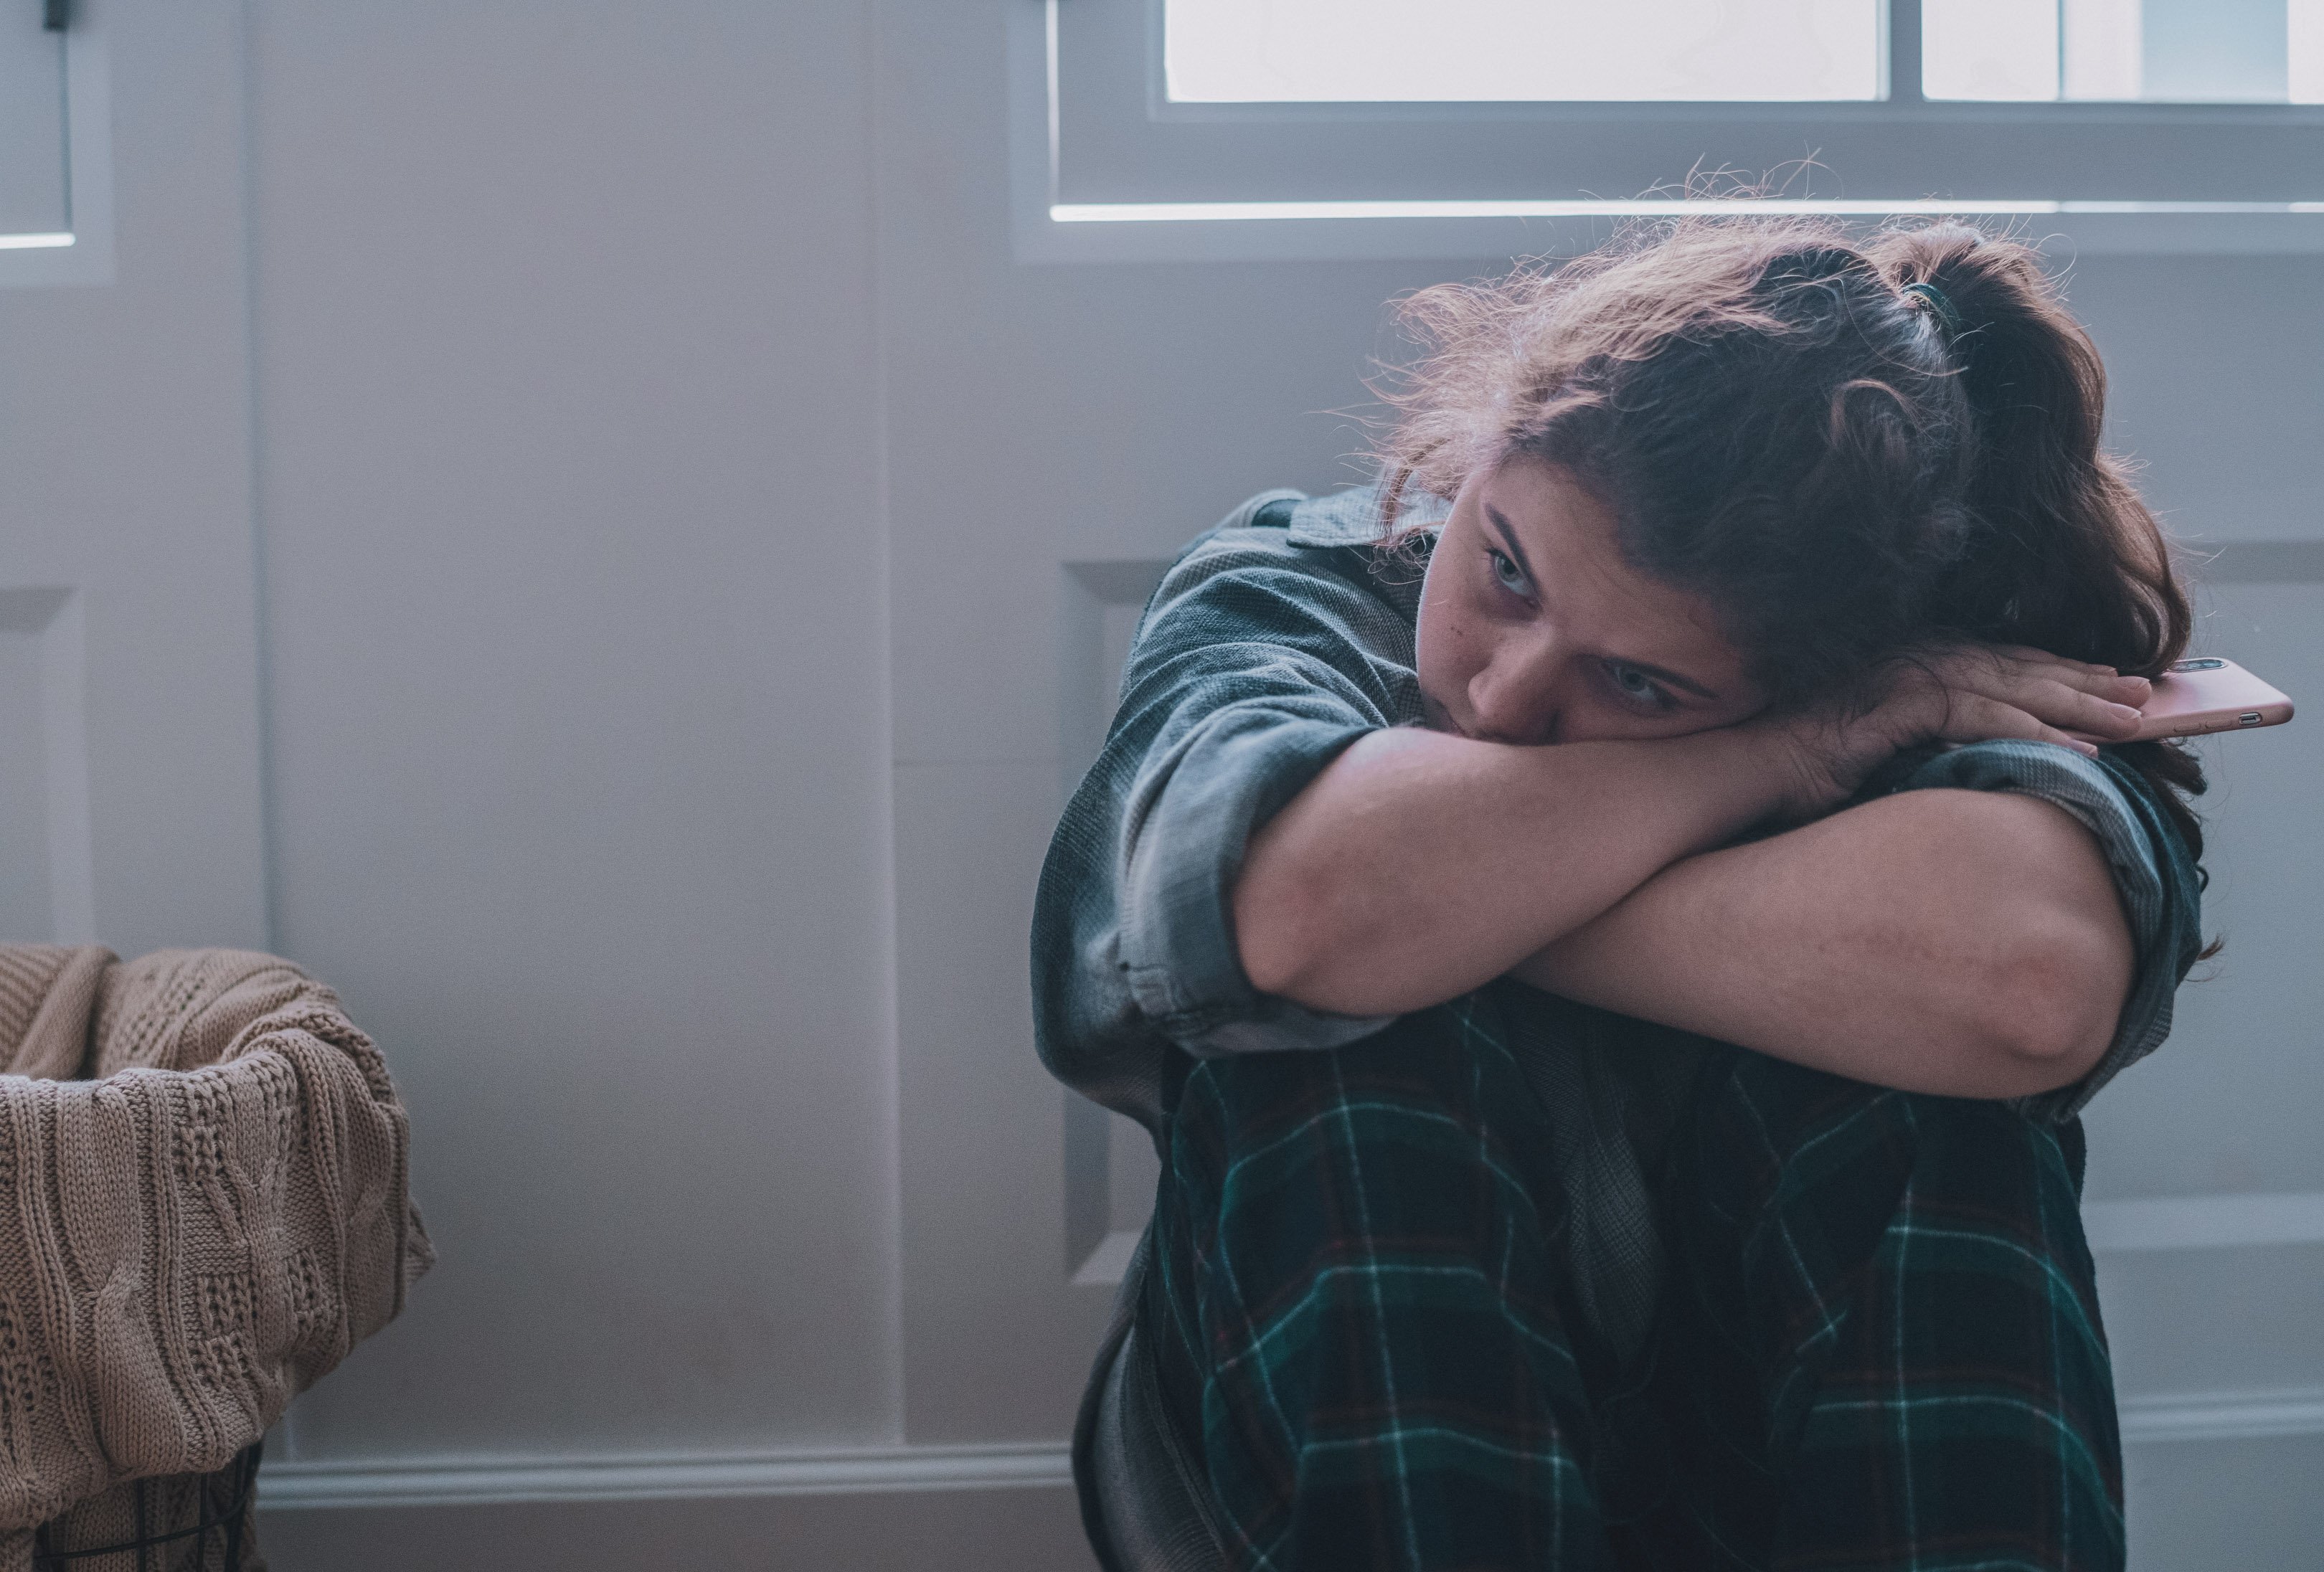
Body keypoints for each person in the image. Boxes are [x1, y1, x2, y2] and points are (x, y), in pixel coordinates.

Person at [1031, 218, 2206, 1572]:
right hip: (1329, 1431)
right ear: (1478, 456)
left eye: (1643, 683)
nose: (1501, 696)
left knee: (1929, 1099)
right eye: (1505, 570)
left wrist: (1444, 900)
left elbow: (2022, 982)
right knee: (1363, 1036)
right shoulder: (1304, 586)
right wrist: (1772, 759)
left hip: (1766, 1465)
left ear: (1838, 665)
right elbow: (1300, 919)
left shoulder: (1940, 673)